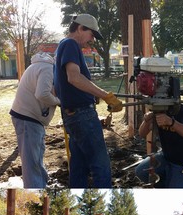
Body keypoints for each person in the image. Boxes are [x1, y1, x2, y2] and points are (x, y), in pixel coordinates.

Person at [54, 14, 123, 188]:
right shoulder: (70, 44)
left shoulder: (62, 46)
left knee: (79, 166)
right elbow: (74, 78)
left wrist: (89, 95)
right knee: (101, 165)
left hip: (72, 115)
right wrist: (104, 95)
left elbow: (57, 88)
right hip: (82, 115)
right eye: (91, 34)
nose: (92, 39)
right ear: (80, 28)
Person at [10, 52, 60, 188]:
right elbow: (42, 94)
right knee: (31, 161)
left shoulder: (44, 66)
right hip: (27, 118)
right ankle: (35, 188)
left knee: (36, 156)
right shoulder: (47, 68)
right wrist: (59, 101)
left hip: (30, 117)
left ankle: (41, 183)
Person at [135, 106, 183, 188]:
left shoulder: (182, 110)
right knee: (141, 172)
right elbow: (142, 134)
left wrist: (171, 122)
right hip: (165, 156)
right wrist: (146, 121)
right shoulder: (157, 111)